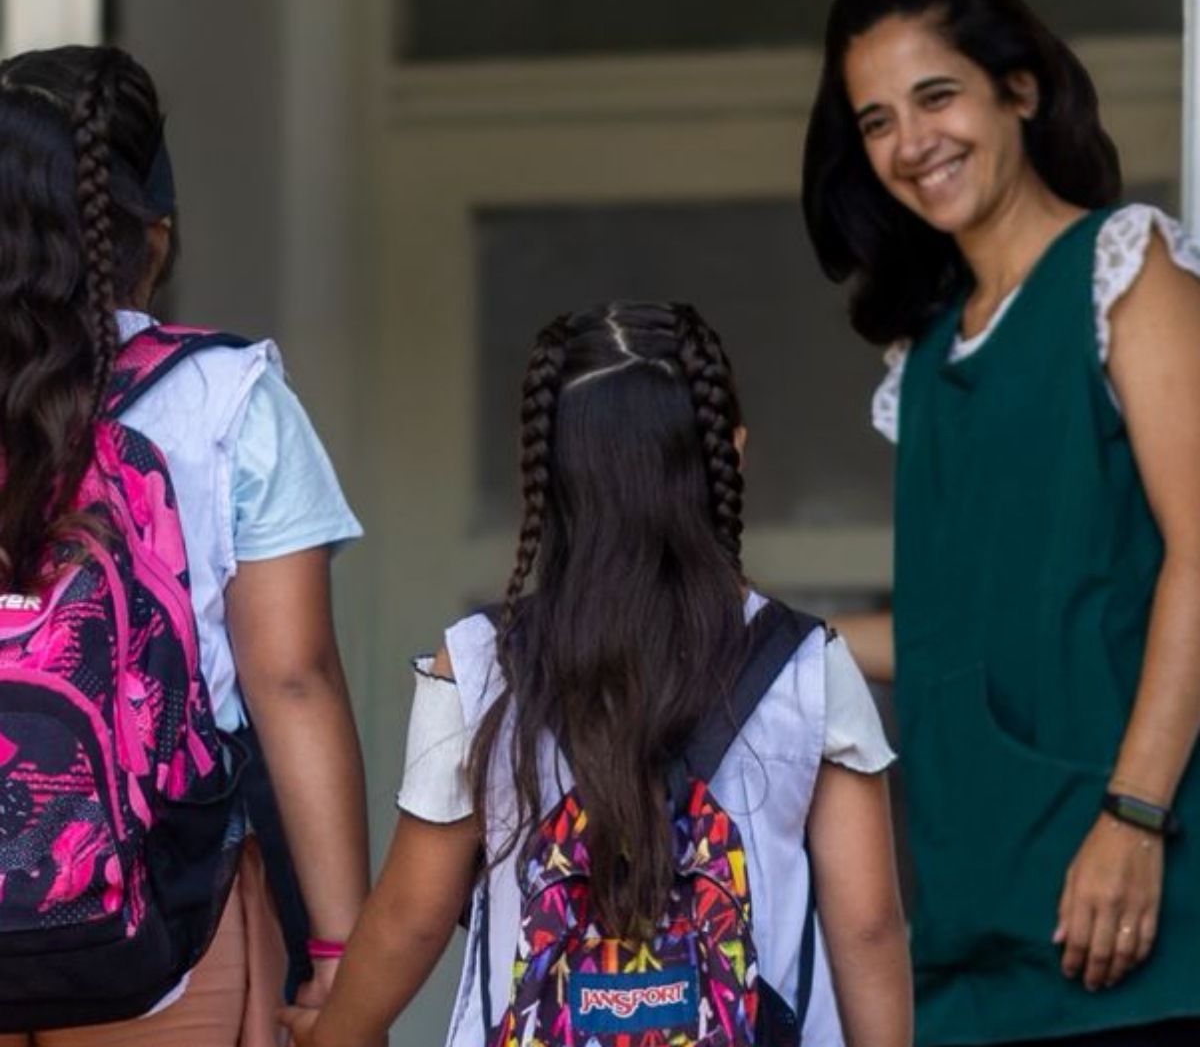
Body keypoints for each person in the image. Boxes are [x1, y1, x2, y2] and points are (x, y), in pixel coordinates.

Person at [279, 301, 911, 1047]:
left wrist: (337, 1035)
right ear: (732, 453)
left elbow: (411, 918)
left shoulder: (483, 665)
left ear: (542, 482)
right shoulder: (809, 668)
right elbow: (868, 928)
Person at [801, 0, 1200, 1047]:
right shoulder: (923, 359)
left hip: (1132, 893)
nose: (911, 142)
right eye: (876, 120)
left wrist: (1134, 815)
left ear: (1018, 88)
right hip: (972, 907)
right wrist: (733, 628)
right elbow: (949, 632)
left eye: (937, 96)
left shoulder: (1124, 269)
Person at [0, 45, 370, 1046]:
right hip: (158, 916)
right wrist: (342, 952)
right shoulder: (224, 401)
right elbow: (291, 679)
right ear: (149, 235)